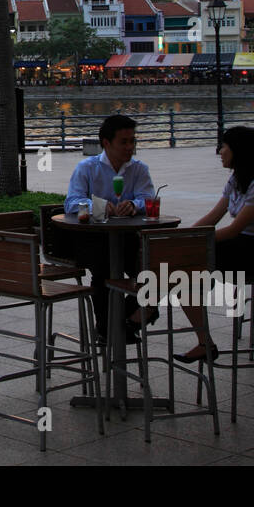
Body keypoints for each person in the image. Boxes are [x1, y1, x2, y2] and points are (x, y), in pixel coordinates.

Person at [180, 126, 254, 362]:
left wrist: (194, 241)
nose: (220, 152)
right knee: (182, 265)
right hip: (241, 245)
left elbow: (234, 229)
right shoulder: (237, 179)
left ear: (238, 150)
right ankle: (202, 340)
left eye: (224, 146)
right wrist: (186, 235)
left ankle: (149, 311)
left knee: (185, 265)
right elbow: (213, 217)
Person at [63, 114, 156, 343]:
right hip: (94, 239)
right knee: (103, 271)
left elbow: (148, 199)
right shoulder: (87, 168)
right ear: (106, 143)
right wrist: (102, 207)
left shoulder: (138, 169)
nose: (129, 147)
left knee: (154, 270)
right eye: (123, 142)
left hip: (130, 238)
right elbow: (72, 203)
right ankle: (111, 328)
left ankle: (123, 322)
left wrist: (133, 205)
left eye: (132, 141)